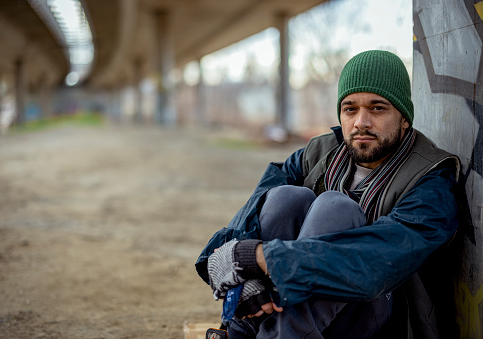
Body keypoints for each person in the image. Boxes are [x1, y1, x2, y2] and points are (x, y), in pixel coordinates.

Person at [196, 50, 462, 338]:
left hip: (377, 313)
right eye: (350, 109)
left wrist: (265, 259)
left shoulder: (431, 176)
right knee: (287, 198)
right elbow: (250, 218)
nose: (361, 122)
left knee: (336, 208)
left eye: (377, 108)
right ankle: (242, 333)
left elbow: (377, 260)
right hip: (300, 308)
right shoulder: (318, 153)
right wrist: (242, 272)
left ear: (404, 118)